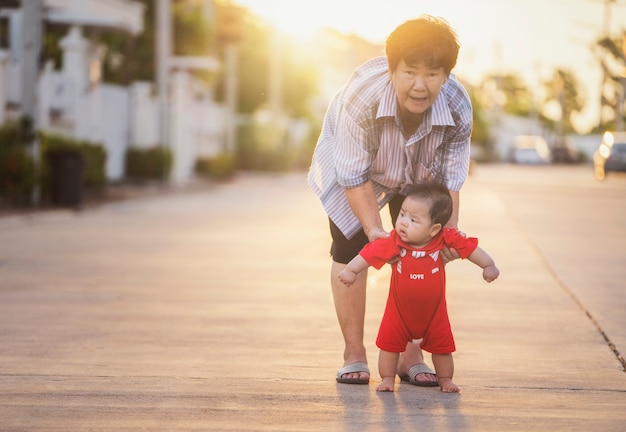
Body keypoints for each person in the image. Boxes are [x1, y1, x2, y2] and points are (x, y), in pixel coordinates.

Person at [308, 15, 473, 385]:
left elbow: (451, 175)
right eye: (409, 72)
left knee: (423, 248)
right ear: (391, 68)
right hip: (362, 167)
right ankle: (354, 352)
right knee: (349, 246)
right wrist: (374, 231)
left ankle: (409, 354)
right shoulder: (360, 98)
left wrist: (447, 231)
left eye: (432, 74)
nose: (420, 85)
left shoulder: (459, 105)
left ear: (446, 75)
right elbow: (353, 175)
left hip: (420, 172)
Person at [338, 181, 499, 392]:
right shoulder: (395, 242)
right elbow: (370, 253)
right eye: (402, 214)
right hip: (398, 313)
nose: (403, 222)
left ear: (434, 229)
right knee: (389, 346)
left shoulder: (444, 240)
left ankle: (445, 380)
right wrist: (351, 270)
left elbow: (470, 248)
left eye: (413, 220)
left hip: (434, 314)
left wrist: (488, 265)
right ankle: (387, 378)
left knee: (442, 348)